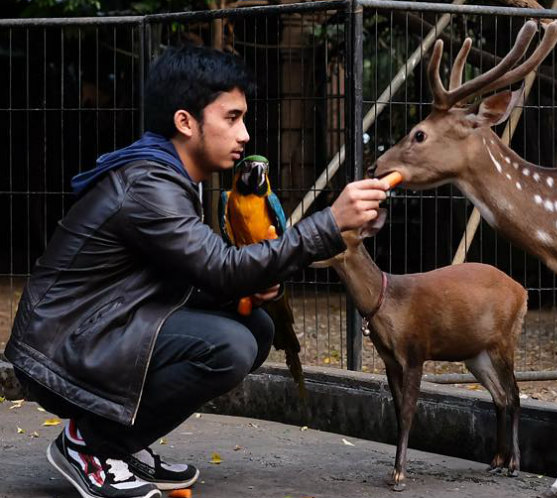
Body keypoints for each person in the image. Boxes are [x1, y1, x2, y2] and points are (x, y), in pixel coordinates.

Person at [4, 45, 389, 498]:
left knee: (255, 325)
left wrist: (245, 289)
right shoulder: (150, 185)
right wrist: (329, 223)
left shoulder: (166, 177)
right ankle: (91, 445)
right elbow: (219, 268)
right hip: (62, 350)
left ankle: (122, 441)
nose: (245, 134)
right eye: (232, 118)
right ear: (186, 122)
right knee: (228, 345)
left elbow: (185, 278)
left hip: (98, 330)